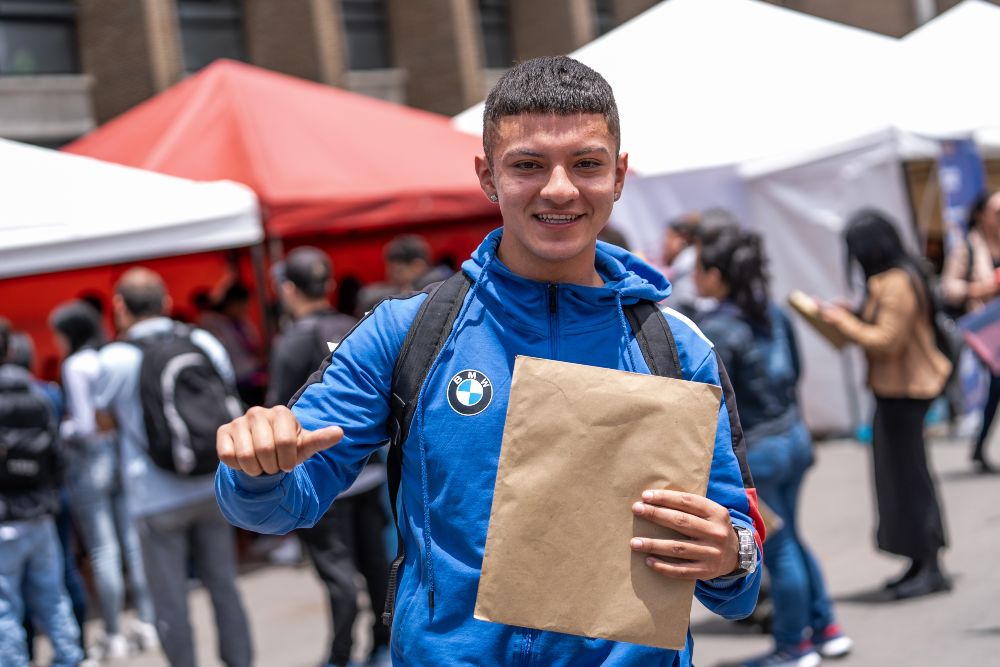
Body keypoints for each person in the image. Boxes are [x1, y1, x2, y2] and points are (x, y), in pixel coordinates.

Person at [216, 57, 763, 666]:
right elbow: (280, 504)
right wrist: (255, 467)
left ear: (619, 175)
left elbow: (736, 578)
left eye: (586, 163)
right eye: (527, 165)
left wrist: (730, 553)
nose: (559, 189)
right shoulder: (410, 332)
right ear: (487, 175)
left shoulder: (677, 347)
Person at [694, 228, 851, 667]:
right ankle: (826, 628)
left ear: (716, 275)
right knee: (792, 539)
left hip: (762, 452)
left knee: (778, 549)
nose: (694, 275)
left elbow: (715, 401)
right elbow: (795, 372)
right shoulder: (772, 313)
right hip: (793, 438)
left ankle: (794, 646)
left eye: (699, 267)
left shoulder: (718, 329)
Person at [94, 268, 253, 667]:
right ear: (166, 302)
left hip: (154, 497)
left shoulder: (112, 359)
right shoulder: (201, 340)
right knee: (224, 588)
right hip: (213, 484)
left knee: (170, 604)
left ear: (119, 307)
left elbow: (101, 423)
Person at [268, 247, 390, 667]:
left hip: (322, 480)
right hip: (368, 468)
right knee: (375, 563)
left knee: (337, 574)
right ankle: (381, 641)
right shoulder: (354, 326)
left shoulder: (292, 340)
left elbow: (278, 413)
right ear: (330, 284)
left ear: (288, 289)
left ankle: (339, 655)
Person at [822, 210, 952, 600]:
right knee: (900, 480)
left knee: (910, 481)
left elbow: (886, 340)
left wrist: (841, 322)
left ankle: (930, 564)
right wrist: (851, 314)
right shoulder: (896, 278)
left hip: (906, 394)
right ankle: (919, 560)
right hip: (896, 392)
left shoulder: (895, 282)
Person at [50, 300, 158, 660]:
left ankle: (113, 632)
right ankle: (147, 621)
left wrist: (60, 428)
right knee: (131, 544)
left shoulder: (75, 365)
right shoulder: (111, 355)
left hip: (91, 460)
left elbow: (83, 425)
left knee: (103, 550)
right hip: (121, 454)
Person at [0, 318, 86, 667]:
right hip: (41, 515)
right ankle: (71, 658)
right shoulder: (41, 393)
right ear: (9, 349)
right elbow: (58, 457)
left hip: (4, 520)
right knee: (53, 600)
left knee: (5, 611)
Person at [940, 190, 1000, 472]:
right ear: (982, 215)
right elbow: (948, 288)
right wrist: (982, 289)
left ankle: (978, 446)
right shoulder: (968, 246)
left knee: (997, 390)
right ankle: (978, 446)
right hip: (986, 329)